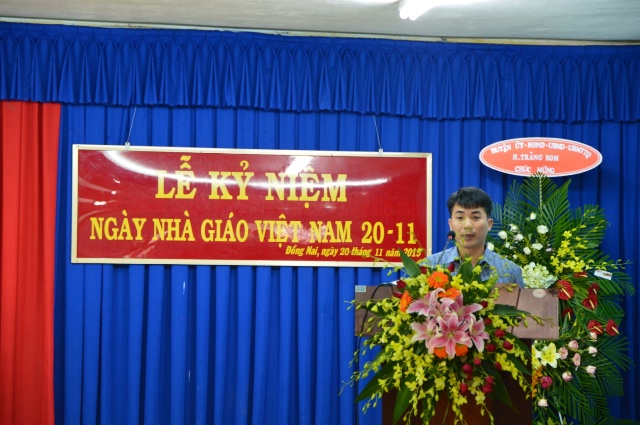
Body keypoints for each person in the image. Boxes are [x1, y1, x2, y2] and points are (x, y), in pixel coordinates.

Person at [426, 186, 524, 286]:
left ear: (489, 224)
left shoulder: (510, 272)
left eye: (475, 217)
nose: (467, 225)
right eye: (460, 218)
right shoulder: (429, 267)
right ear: (450, 225)